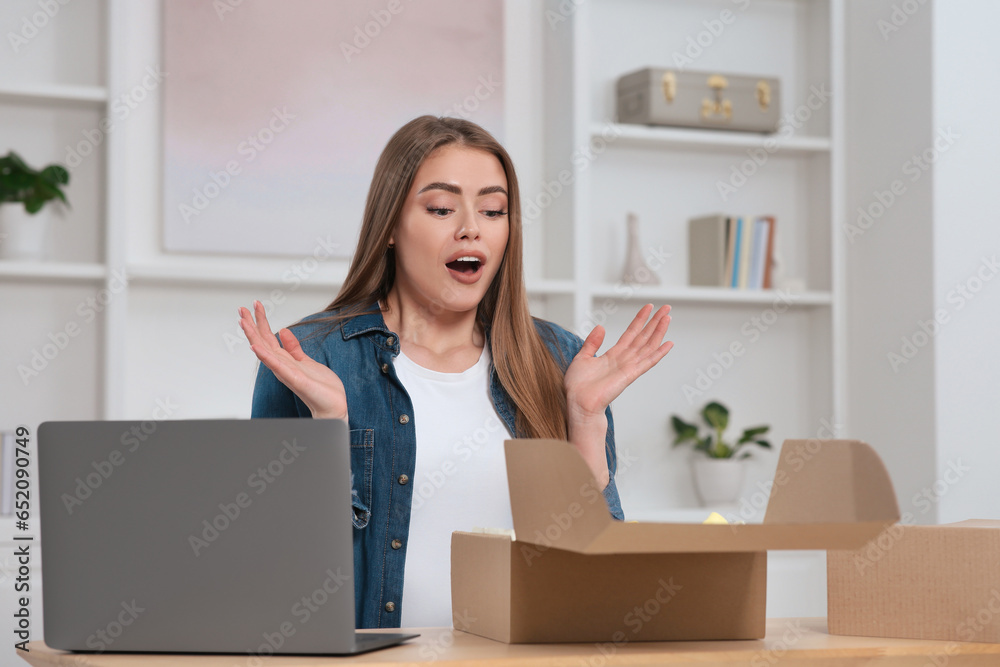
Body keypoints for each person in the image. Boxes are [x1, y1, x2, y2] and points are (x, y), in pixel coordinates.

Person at [239, 115, 672, 630]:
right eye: (442, 208)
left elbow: (601, 585)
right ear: (392, 227)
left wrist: (585, 420)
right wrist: (330, 424)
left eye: (493, 210)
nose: (471, 227)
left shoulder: (560, 361)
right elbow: (276, 582)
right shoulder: (312, 358)